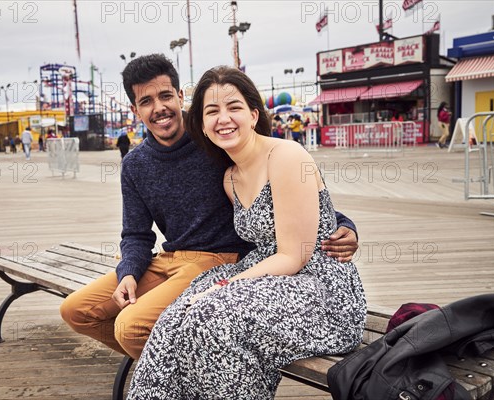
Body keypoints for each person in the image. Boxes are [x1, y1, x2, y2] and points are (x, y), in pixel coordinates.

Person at [59, 54, 360, 362]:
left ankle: (184, 374)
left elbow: (275, 188)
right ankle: (184, 362)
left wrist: (343, 223)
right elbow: (135, 234)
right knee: (75, 310)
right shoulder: (135, 165)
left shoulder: (214, 141)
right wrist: (128, 273)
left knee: (131, 328)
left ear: (179, 96)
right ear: (135, 110)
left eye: (165, 95)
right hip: (169, 257)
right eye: (146, 101)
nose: (159, 108)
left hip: (218, 258)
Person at [127, 66, 367, 399]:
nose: (223, 118)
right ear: (202, 124)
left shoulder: (287, 156)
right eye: (212, 111)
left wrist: (227, 285)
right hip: (268, 276)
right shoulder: (229, 177)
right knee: (172, 323)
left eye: (234, 107)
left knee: (210, 316)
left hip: (318, 288)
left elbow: (295, 252)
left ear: (253, 114)